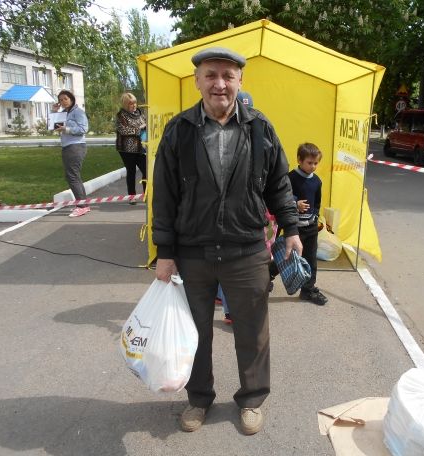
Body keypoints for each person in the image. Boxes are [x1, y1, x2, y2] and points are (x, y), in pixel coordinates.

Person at [152, 46, 302, 435]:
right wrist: (164, 253)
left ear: (240, 81)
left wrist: (292, 229)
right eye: (211, 75)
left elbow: (279, 183)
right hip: (193, 252)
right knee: (194, 333)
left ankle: (251, 399)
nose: (219, 83)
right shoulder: (180, 130)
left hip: (246, 249)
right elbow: (165, 194)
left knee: (252, 332)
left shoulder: (260, 127)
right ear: (198, 80)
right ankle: (199, 399)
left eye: (228, 76)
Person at [287, 143, 328, 305]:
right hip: (294, 228)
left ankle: (308, 290)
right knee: (288, 257)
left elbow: (317, 202)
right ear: (299, 160)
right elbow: (283, 198)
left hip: (310, 227)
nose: (313, 166)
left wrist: (315, 216)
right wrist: (295, 204)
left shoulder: (317, 181)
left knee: (311, 259)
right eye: (309, 163)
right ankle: (268, 276)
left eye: (316, 163)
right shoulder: (290, 178)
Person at [52, 89, 90, 217]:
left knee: (72, 176)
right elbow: (53, 126)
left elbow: (84, 129)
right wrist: (54, 111)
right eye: (61, 100)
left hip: (76, 146)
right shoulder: (63, 113)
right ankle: (84, 205)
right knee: (74, 176)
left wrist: (66, 129)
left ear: (71, 99)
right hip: (67, 146)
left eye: (65, 99)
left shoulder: (78, 112)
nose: (63, 102)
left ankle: (81, 207)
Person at [115, 93, 147, 203]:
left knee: (146, 171)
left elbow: (146, 123)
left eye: (135, 103)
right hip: (126, 149)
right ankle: (132, 197)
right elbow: (124, 131)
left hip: (140, 147)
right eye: (130, 103)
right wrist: (140, 128)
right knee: (131, 172)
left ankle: (147, 194)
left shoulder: (139, 113)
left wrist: (146, 126)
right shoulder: (121, 115)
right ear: (125, 104)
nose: (134, 105)